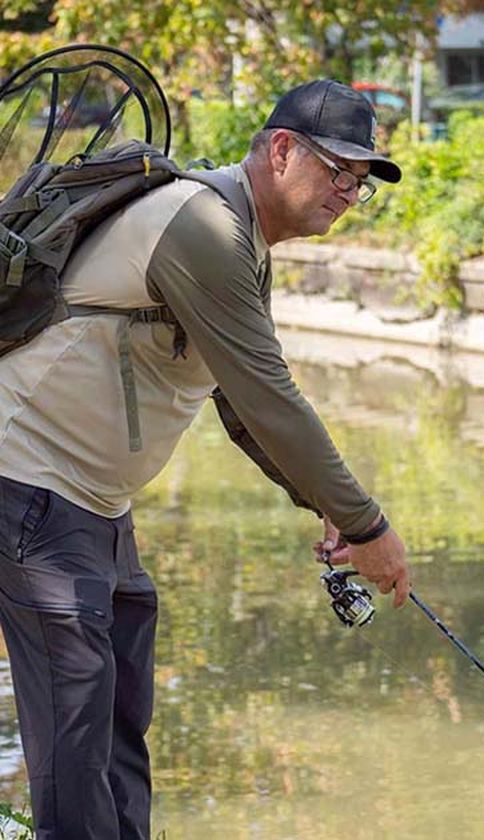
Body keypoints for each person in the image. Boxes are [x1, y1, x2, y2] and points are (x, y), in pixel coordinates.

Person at [0, 80, 409, 839]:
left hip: (95, 505)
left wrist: (322, 508)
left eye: (360, 182)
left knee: (120, 724)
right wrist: (368, 524)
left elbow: (241, 411)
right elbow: (270, 397)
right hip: (30, 487)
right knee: (76, 735)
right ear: (282, 150)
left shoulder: (243, 243)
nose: (349, 193)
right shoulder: (203, 227)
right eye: (338, 171)